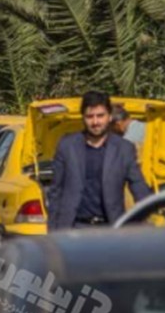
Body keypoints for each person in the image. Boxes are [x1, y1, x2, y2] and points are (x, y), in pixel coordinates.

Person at [47, 91, 153, 229]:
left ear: (110, 117)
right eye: (90, 117)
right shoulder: (67, 146)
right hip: (74, 228)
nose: (95, 122)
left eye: (100, 116)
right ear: (83, 117)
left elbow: (139, 187)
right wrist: (53, 231)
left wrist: (148, 217)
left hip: (110, 230)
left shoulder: (124, 149)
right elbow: (55, 191)